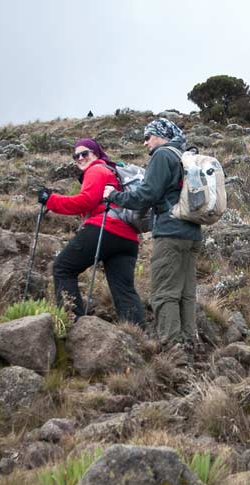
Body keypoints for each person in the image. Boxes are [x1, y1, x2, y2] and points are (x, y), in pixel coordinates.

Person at [103, 118, 200, 349]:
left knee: (164, 292)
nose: (145, 143)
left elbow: (146, 195)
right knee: (186, 293)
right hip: (192, 233)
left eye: (148, 137)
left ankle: (171, 348)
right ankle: (188, 343)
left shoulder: (163, 155)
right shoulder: (182, 156)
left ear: (161, 135)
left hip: (170, 232)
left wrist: (114, 196)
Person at [37, 139, 146, 326]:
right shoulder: (111, 172)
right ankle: (137, 335)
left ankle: (72, 323)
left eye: (84, 153)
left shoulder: (96, 170)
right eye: (76, 156)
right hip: (128, 238)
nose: (80, 158)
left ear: (96, 154)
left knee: (63, 268)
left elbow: (85, 201)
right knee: (124, 290)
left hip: (104, 228)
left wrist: (51, 200)